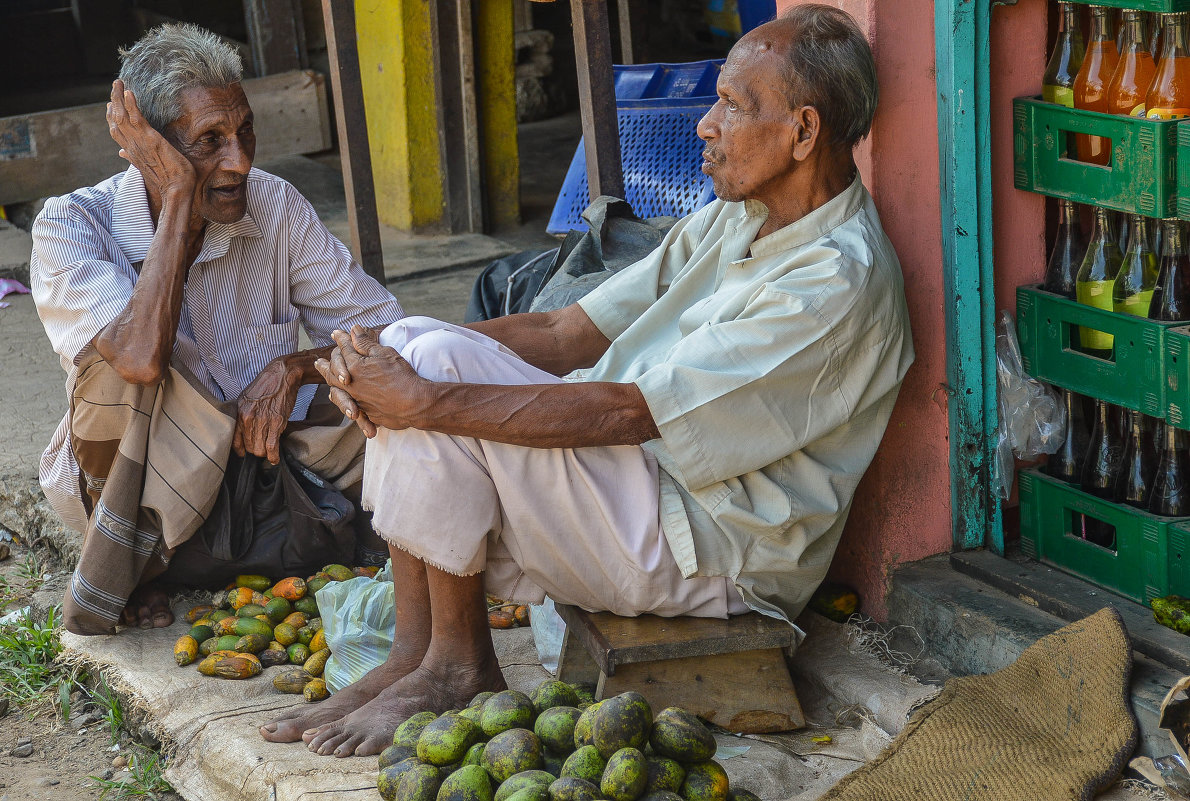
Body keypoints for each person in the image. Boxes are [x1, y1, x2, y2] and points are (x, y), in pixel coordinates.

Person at [260, 4, 913, 758]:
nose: (707, 124)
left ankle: (457, 663)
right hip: (640, 490)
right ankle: (416, 652)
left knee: (430, 376)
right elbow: (568, 332)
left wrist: (427, 397)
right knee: (415, 342)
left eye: (733, 106)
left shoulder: (833, 282)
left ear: (803, 131)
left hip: (712, 549)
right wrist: (372, 357)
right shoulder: (739, 219)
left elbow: (630, 413)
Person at [29, 24, 404, 635]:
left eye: (244, 130)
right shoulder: (71, 225)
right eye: (209, 141)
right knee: (117, 374)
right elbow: (138, 359)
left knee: (407, 376)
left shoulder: (273, 203)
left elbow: (387, 330)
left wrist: (295, 368)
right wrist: (179, 196)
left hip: (271, 462)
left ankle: (247, 549)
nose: (241, 161)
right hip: (162, 487)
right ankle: (135, 562)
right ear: (151, 148)